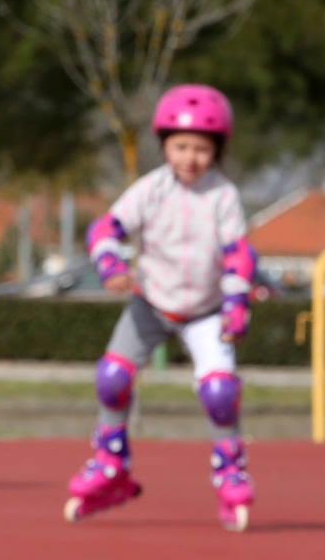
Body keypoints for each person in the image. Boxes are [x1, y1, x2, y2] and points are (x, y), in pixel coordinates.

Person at [64, 83, 257, 532]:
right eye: (181, 146)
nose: (190, 158)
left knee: (220, 391)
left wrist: (236, 304)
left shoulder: (223, 197)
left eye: (202, 149)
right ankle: (111, 462)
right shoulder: (150, 190)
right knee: (113, 377)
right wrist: (110, 264)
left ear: (218, 150)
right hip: (151, 303)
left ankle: (230, 470)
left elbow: (237, 254)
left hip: (206, 310)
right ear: (165, 145)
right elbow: (105, 228)